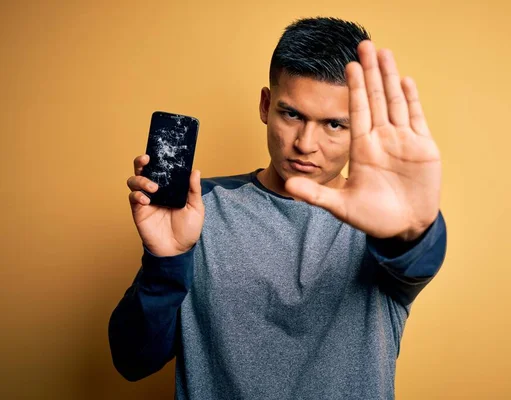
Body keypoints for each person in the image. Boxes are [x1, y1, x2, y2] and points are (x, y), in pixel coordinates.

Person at [109, 16, 447, 400]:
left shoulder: (383, 222)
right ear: (266, 105)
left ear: (361, 126)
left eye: (334, 124)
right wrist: (164, 260)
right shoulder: (197, 209)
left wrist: (413, 230)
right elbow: (133, 360)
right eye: (292, 114)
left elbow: (415, 257)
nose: (306, 143)